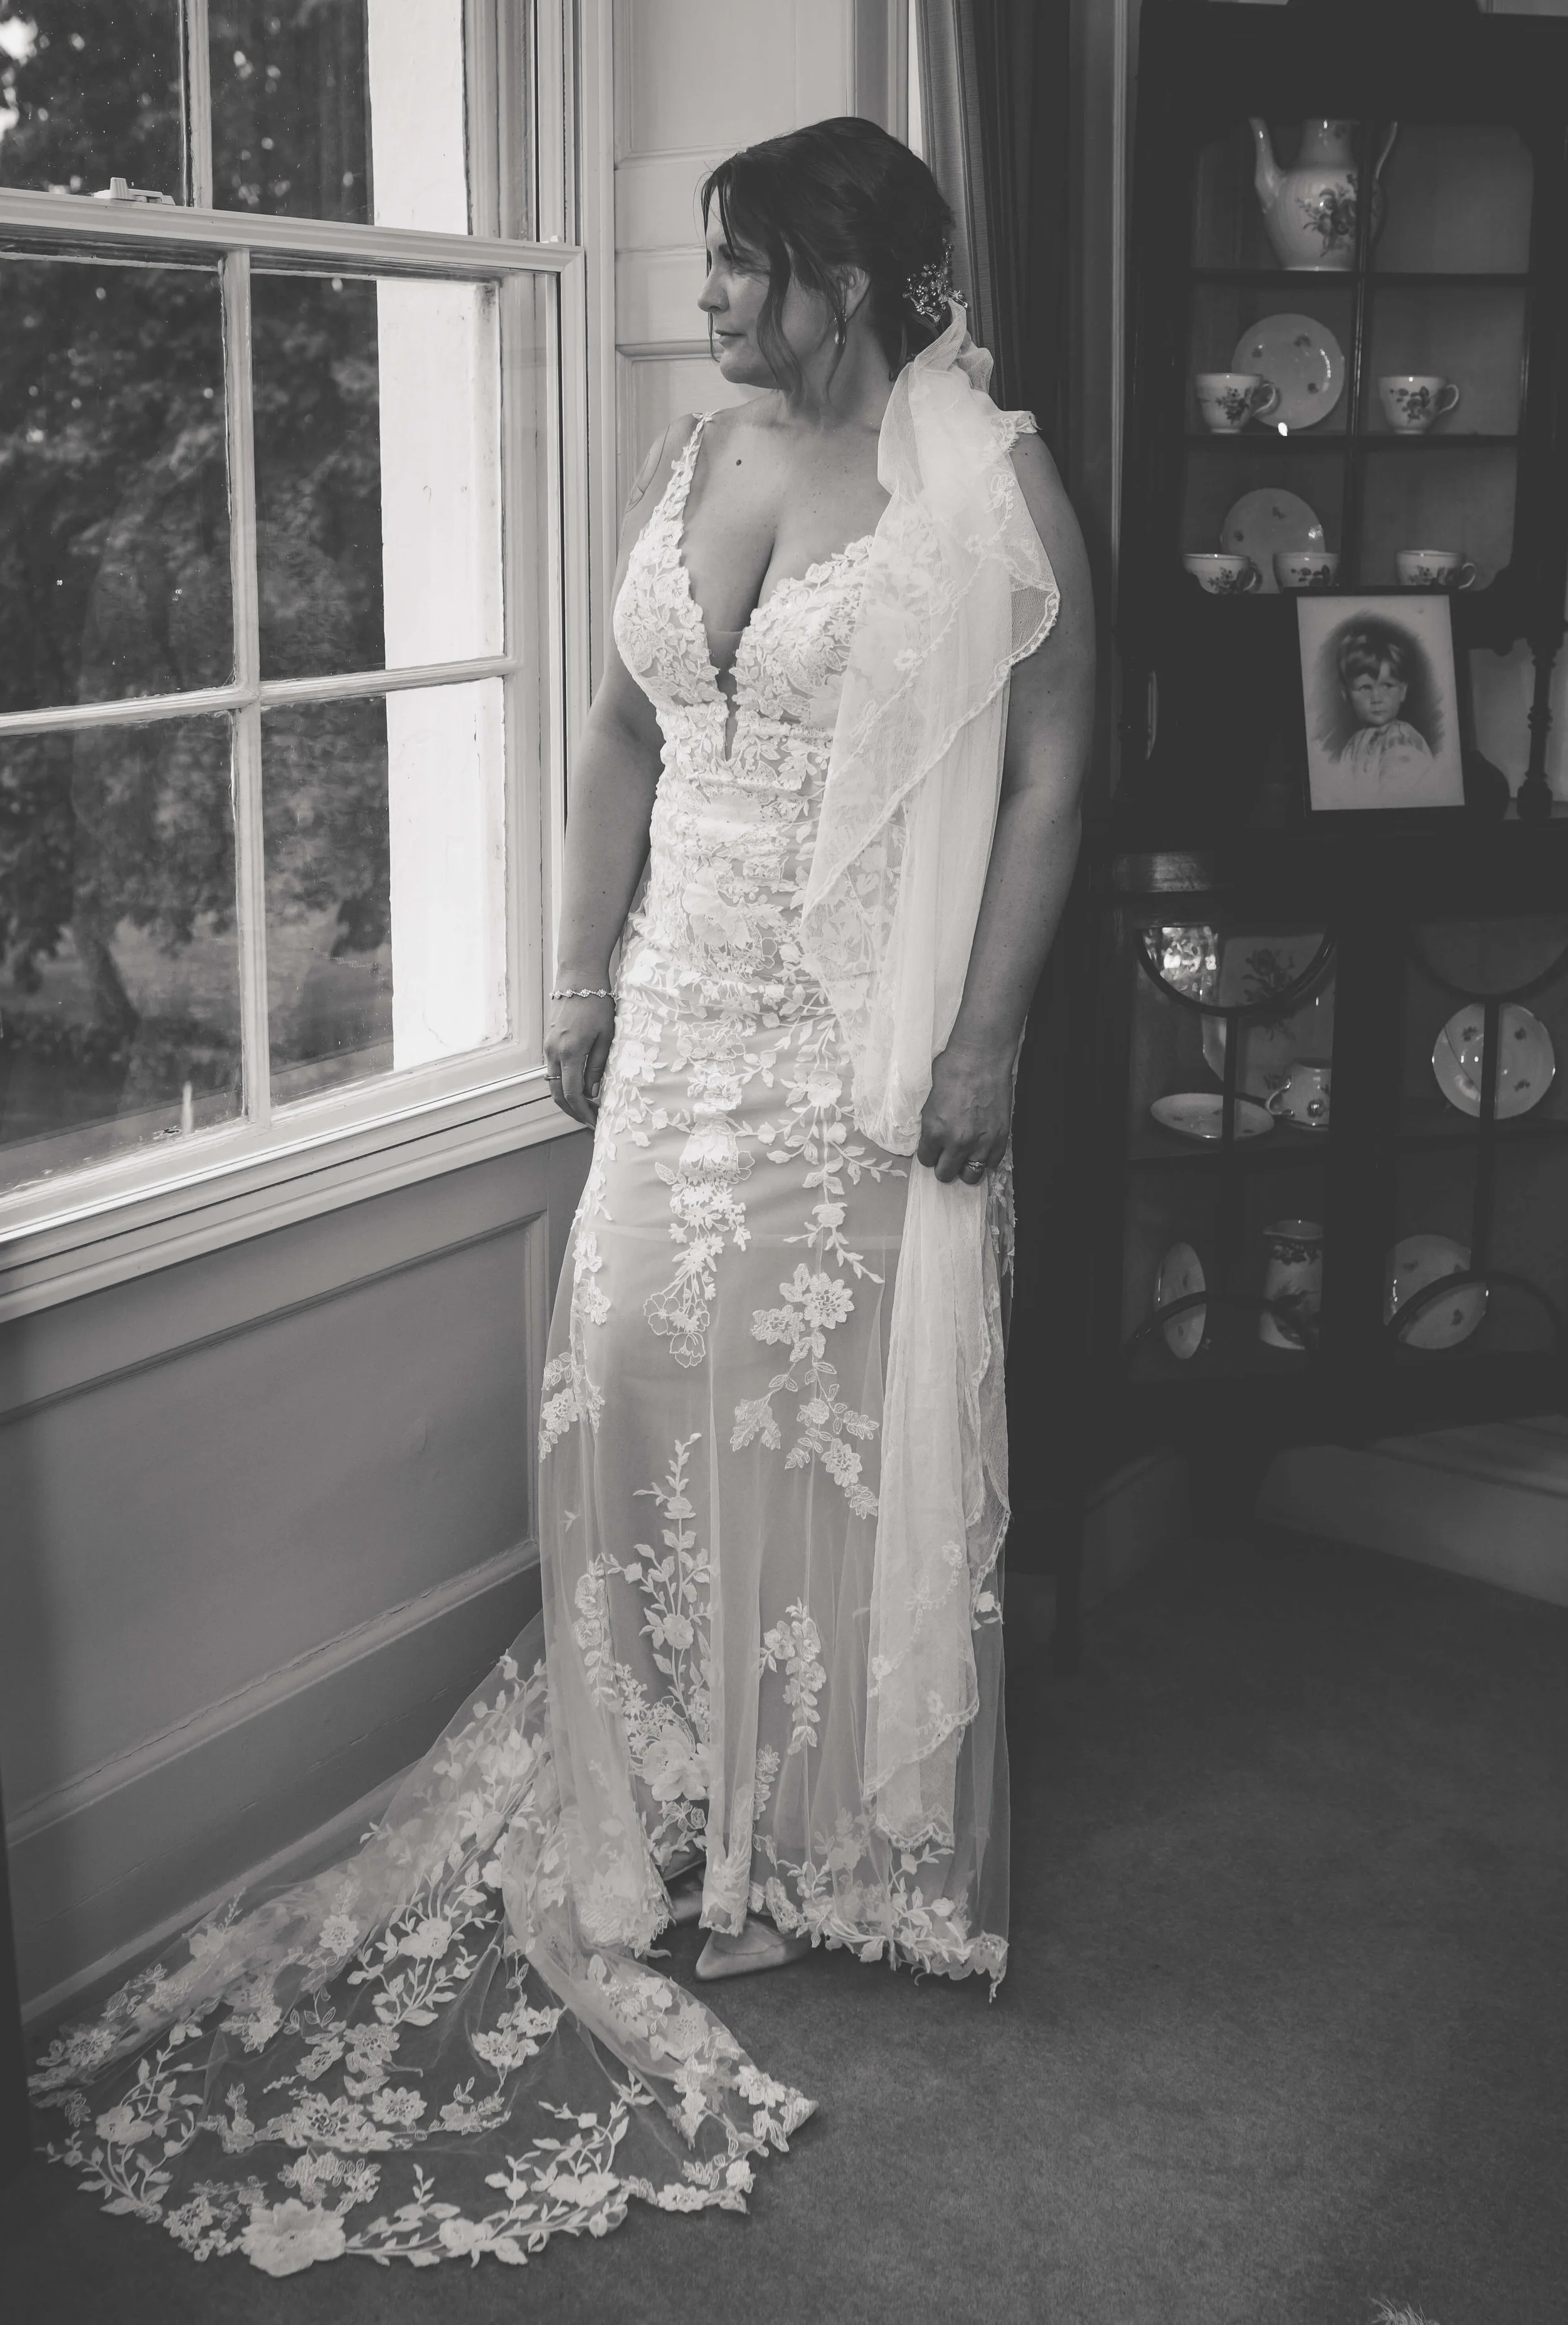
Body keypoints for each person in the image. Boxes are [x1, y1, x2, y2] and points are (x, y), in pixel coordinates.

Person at [28, 116, 1094, 2274]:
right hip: (676, 1018)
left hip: (839, 1048)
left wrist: (986, 1034)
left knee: (813, 1442)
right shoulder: (686, 463)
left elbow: (1065, 754)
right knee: (616, 1388)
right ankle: (651, 1790)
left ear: (860, 282)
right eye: (706, 264)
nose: (703, 301)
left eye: (745, 267)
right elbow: (621, 723)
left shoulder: (977, 479)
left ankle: (803, 1843)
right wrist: (576, 962)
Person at [1322, 618, 1436, 804]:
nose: (1377, 698)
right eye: (1366, 688)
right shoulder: (1354, 744)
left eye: (1388, 686)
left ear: (1403, 691)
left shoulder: (1402, 739)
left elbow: (1398, 797)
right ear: (1347, 695)